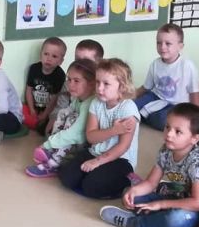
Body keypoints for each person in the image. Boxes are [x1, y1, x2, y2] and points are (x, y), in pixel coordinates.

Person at [99, 103, 199, 227]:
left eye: (178, 131)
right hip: (176, 196)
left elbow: (197, 203)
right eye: (167, 127)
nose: (169, 134)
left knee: (177, 218)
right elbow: (151, 183)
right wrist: (134, 191)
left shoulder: (197, 162)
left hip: (198, 210)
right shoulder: (166, 149)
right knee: (133, 196)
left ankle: (135, 223)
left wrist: (160, 204)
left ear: (194, 138)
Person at [58, 59, 140, 199]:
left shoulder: (128, 108)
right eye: (97, 82)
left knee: (91, 186)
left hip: (120, 159)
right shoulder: (96, 103)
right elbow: (91, 137)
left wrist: (97, 162)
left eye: (106, 84)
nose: (100, 88)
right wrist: (114, 130)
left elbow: (123, 147)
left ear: (122, 86)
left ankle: (128, 180)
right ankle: (95, 175)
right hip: (95, 152)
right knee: (67, 177)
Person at [26, 59, 96, 178]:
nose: (70, 85)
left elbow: (75, 133)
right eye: (69, 79)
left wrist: (48, 144)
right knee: (64, 112)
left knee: (71, 118)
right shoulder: (77, 98)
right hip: (76, 139)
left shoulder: (90, 104)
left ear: (91, 83)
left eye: (76, 81)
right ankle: (54, 153)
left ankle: (54, 163)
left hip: (86, 145)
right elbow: (65, 115)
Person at [133, 23, 199, 130]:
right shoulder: (155, 64)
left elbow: (194, 93)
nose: (162, 47)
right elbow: (146, 87)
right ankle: (141, 114)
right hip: (156, 97)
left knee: (163, 120)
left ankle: (142, 116)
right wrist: (131, 96)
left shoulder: (187, 66)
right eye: (159, 43)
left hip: (176, 104)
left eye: (168, 43)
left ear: (180, 46)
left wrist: (197, 116)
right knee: (131, 106)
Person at [45, 39, 103, 129]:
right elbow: (61, 105)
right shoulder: (69, 82)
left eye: (86, 61)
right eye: (77, 60)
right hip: (71, 122)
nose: (80, 65)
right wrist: (53, 120)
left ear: (98, 63)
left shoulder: (103, 86)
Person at [22, 37, 66, 133]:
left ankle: (38, 125)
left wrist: (45, 114)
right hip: (33, 107)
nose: (48, 59)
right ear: (40, 55)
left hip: (49, 110)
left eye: (54, 56)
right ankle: (33, 123)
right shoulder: (34, 68)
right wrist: (32, 109)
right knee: (19, 109)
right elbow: (29, 90)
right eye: (46, 54)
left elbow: (55, 99)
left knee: (54, 121)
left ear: (61, 61)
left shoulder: (60, 75)